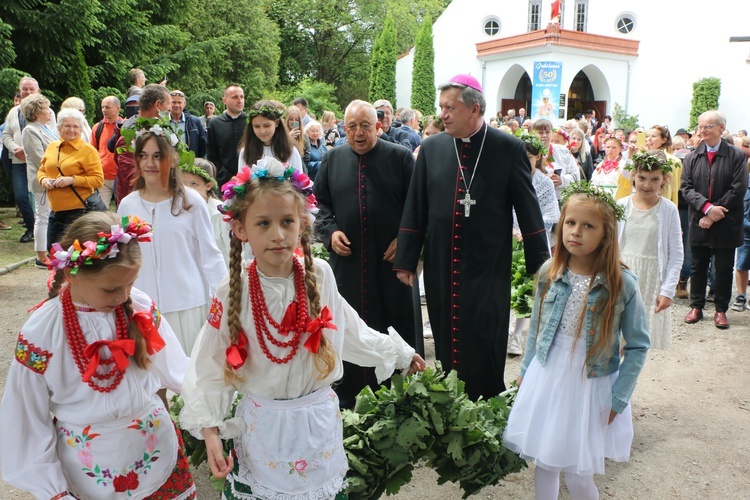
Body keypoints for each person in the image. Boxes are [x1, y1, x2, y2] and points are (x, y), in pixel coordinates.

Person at [179, 159, 425, 497]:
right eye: (263, 223)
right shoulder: (232, 288)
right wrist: (210, 430)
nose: (278, 235)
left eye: (287, 221)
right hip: (262, 426)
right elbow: (209, 360)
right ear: (240, 229)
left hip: (316, 423)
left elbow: (349, 329)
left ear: (302, 224)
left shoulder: (319, 274)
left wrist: (398, 353)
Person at [0, 212, 194, 499]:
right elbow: (25, 417)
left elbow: (180, 371)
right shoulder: (43, 332)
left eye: (130, 283)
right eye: (111, 289)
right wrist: (51, 488)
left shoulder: (137, 305)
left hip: (155, 452)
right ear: (71, 274)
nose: (123, 297)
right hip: (88, 468)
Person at [394, 74, 549, 401]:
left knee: (484, 335)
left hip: (486, 265)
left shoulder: (508, 148)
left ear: (474, 108)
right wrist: (407, 259)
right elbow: (415, 206)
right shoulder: (433, 148)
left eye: (450, 108)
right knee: (445, 331)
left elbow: (528, 209)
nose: (443, 115)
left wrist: (541, 265)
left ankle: (488, 398)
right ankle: (451, 400)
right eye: (441, 107)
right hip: (441, 263)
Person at [503, 182, 649, 500]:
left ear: (606, 234)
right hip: (549, 375)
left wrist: (619, 398)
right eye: (571, 223)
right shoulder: (549, 273)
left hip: (592, 383)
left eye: (588, 226)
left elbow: (638, 345)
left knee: (578, 474)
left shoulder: (622, 284)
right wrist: (525, 371)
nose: (576, 232)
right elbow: (538, 328)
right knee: (546, 462)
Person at [313, 99, 421, 407]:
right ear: (343, 128)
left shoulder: (399, 158)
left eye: (365, 125)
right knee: (348, 323)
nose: (358, 133)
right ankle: (348, 397)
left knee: (394, 321)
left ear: (379, 125)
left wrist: (405, 237)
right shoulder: (332, 159)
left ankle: (400, 397)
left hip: (390, 264)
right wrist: (331, 231)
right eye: (351, 127)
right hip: (348, 262)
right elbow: (318, 204)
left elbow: (418, 205)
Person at [118, 122, 227, 355]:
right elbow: (124, 255)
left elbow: (210, 255)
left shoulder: (191, 202)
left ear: (172, 158)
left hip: (187, 304)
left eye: (158, 156)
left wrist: (225, 298)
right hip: (144, 306)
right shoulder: (128, 205)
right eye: (144, 156)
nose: (150, 163)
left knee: (187, 378)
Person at [681, 110, 748, 329]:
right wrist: (707, 208)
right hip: (700, 219)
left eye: (708, 126)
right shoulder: (692, 157)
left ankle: (721, 310)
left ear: (721, 127)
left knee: (724, 267)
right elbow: (686, 188)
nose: (702, 130)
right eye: (700, 126)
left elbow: (738, 188)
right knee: (698, 266)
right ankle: (696, 306)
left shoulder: (737, 156)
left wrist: (717, 211)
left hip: (727, 222)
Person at [618, 151, 683, 348]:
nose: (647, 185)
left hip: (650, 279)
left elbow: (676, 254)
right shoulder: (622, 205)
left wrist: (668, 290)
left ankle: (629, 378)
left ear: (664, 179)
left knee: (636, 344)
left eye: (654, 179)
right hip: (622, 275)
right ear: (634, 177)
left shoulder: (668, 209)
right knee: (615, 337)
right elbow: (610, 244)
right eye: (642, 178)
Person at [507, 133, 560, 356]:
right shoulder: (507, 176)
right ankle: (503, 329)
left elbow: (552, 213)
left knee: (526, 289)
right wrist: (512, 229)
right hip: (508, 239)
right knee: (507, 285)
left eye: (528, 156)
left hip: (534, 239)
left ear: (537, 156)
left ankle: (517, 335)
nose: (524, 159)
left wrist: (529, 230)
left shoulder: (544, 183)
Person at [38, 109, 104, 247]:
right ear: (59, 128)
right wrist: (43, 180)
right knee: (54, 255)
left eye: (75, 126)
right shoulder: (52, 147)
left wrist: (72, 180)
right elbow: (42, 170)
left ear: (81, 129)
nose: (71, 130)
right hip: (56, 212)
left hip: (79, 212)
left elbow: (98, 180)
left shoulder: (88, 150)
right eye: (67, 126)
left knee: (76, 258)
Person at [3, 76, 49, 243]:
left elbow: (52, 137)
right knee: (21, 196)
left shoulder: (47, 112)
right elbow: (6, 134)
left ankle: (43, 230)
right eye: (25, 89)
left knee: (42, 198)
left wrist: (29, 151)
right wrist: (15, 148)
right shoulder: (13, 112)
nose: (28, 92)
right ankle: (31, 227)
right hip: (18, 162)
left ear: (38, 91)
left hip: (40, 162)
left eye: (31, 89)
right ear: (20, 91)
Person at [112, 84, 172, 204]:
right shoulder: (128, 139)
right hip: (137, 207)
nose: (170, 110)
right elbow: (132, 180)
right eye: (168, 107)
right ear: (157, 105)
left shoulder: (162, 133)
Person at [20, 93, 59, 267]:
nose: (49, 111)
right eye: (45, 108)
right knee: (42, 217)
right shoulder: (30, 130)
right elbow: (38, 158)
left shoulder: (46, 127)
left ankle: (48, 251)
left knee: (48, 216)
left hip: (54, 179)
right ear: (37, 112)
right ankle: (41, 256)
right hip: (42, 181)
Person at [180, 157, 231, 267]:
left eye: (194, 184)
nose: (188, 189)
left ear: (208, 186)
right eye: (184, 183)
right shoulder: (177, 210)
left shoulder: (220, 213)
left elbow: (231, 249)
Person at [239, 100, 303, 172]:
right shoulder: (246, 152)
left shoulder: (291, 151)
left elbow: (299, 181)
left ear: (277, 123)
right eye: (257, 126)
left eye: (267, 126)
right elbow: (242, 180)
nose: (262, 131)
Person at [207, 84, 246, 187]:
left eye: (242, 97)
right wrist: (228, 177)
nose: (240, 100)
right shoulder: (215, 124)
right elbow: (212, 156)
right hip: (224, 183)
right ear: (224, 100)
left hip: (251, 180)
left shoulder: (251, 122)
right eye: (235, 97)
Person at [532, 119, 580, 200]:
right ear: (533, 133)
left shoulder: (563, 151)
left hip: (560, 200)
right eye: (540, 133)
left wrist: (561, 180)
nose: (544, 135)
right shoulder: (529, 153)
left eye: (547, 132)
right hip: (536, 199)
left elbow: (576, 176)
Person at [90, 96, 123, 208]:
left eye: (108, 107)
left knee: (122, 209)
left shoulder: (125, 126)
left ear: (118, 108)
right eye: (103, 107)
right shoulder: (97, 127)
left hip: (120, 176)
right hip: (102, 177)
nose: (104, 110)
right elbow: (92, 151)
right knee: (101, 211)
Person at [168, 90, 207, 158]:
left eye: (179, 102)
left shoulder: (194, 121)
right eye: (173, 102)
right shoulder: (162, 122)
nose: (176, 105)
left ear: (184, 104)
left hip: (190, 165)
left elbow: (203, 146)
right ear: (168, 103)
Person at [730, 182, 750, 311]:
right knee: (742, 264)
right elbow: (739, 211)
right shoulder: (744, 185)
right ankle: (741, 296)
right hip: (746, 233)